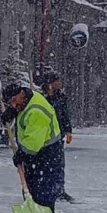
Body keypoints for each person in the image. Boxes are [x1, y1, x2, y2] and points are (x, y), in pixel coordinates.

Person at [2, 83, 64, 213]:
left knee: (44, 191)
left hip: (47, 154)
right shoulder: (26, 101)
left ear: (21, 94)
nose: (13, 105)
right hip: (37, 152)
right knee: (32, 188)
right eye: (10, 103)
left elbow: (33, 144)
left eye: (14, 101)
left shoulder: (36, 110)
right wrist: (12, 113)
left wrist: (21, 155)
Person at [39, 71, 75, 203]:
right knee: (45, 165)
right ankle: (46, 189)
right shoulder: (41, 97)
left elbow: (64, 114)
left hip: (58, 135)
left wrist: (68, 130)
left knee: (58, 164)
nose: (60, 83)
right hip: (44, 136)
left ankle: (59, 190)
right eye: (57, 81)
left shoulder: (61, 97)